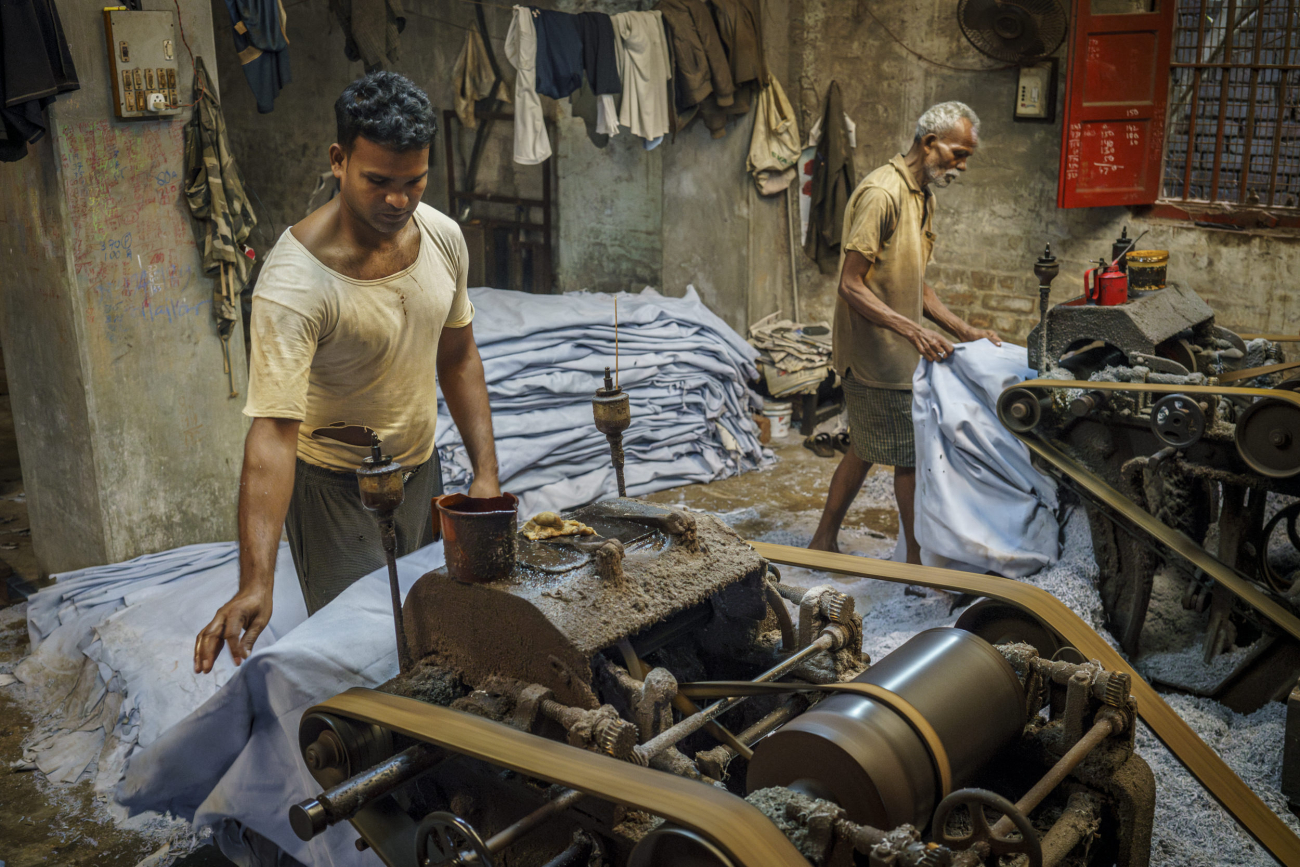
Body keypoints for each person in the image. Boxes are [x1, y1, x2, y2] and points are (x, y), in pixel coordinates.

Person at [194, 72, 500, 674]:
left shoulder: (443, 237)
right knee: (360, 660)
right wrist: (256, 580)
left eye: (414, 181)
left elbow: (457, 356)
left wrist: (486, 476)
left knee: (435, 633)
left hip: (421, 472)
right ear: (339, 161)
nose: (399, 200)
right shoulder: (294, 283)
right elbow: (274, 432)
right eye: (378, 181)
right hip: (334, 491)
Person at [809, 101, 1001, 560]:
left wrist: (964, 329)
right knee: (908, 457)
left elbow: (917, 283)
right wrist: (913, 332)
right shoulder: (883, 193)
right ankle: (917, 562)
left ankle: (824, 539)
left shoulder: (923, 197)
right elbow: (850, 284)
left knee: (865, 446)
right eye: (958, 153)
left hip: (895, 348)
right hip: (875, 350)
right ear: (929, 143)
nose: (962, 165)